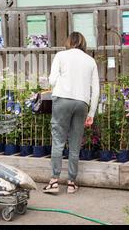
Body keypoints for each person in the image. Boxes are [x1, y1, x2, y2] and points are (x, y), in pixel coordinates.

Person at [43, 32, 100, 194]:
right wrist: (92, 113)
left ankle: (54, 181)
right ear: (83, 43)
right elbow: (95, 90)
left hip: (62, 100)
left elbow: (52, 80)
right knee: (75, 143)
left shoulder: (60, 56)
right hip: (82, 103)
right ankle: (71, 183)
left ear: (68, 42)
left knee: (58, 141)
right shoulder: (90, 61)